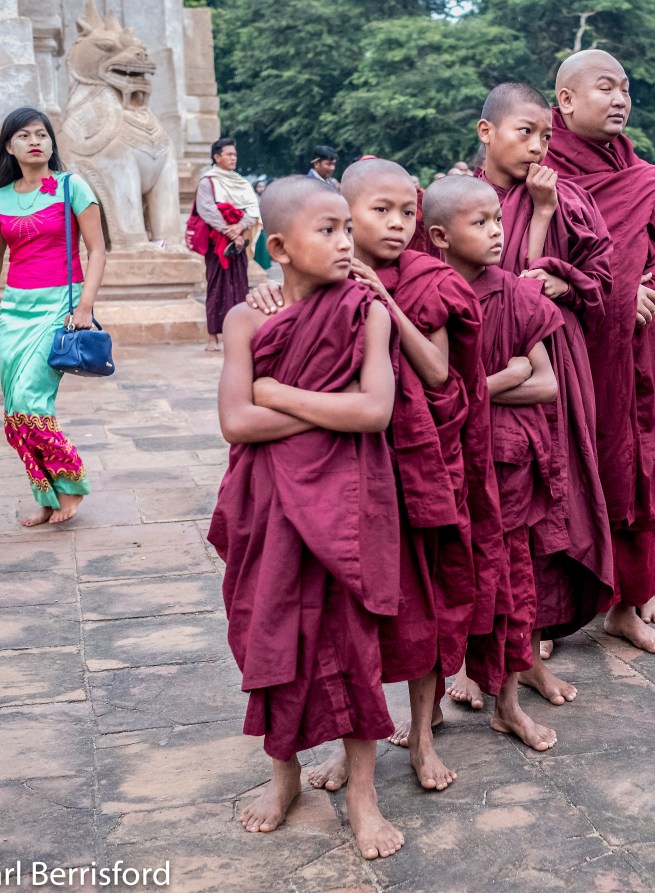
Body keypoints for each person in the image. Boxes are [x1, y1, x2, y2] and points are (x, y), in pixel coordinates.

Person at [246, 158, 504, 791]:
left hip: (420, 464)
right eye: (378, 212)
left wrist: (385, 295)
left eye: (407, 212)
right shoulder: (308, 283)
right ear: (345, 218)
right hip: (345, 467)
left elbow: (441, 375)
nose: (396, 225)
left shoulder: (425, 280)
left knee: (422, 610)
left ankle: (420, 735)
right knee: (347, 623)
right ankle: (344, 745)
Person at [209, 176, 403, 859]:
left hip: (349, 501)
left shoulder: (365, 310)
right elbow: (237, 420)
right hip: (268, 505)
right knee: (272, 635)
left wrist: (278, 392)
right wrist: (326, 403)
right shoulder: (246, 318)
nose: (347, 243)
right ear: (280, 246)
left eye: (348, 228)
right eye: (329, 230)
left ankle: (362, 790)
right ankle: (284, 773)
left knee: (354, 643)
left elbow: (373, 410)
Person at [472, 81, 614, 706]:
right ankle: (468, 664)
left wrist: (565, 281)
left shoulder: (570, 199)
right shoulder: (457, 201)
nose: (537, 146)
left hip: (554, 365)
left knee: (549, 503)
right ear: (487, 132)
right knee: (480, 516)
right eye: (523, 131)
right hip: (482, 368)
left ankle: (528, 650)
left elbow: (603, 277)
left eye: (546, 135)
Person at [546, 49, 655, 654]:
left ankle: (628, 603)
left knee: (637, 468)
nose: (620, 99)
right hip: (565, 351)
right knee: (557, 472)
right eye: (605, 87)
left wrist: (650, 289)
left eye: (626, 88)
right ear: (567, 101)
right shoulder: (535, 172)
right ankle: (545, 618)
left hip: (634, 350)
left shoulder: (650, 182)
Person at [424, 174, 562, 751]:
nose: (496, 233)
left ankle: (507, 705)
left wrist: (473, 389)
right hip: (441, 465)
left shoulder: (515, 294)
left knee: (511, 587)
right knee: (437, 586)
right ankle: (425, 710)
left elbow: (548, 385)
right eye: (478, 224)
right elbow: (424, 396)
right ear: (439, 236)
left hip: (506, 464)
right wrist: (503, 377)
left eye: (498, 221)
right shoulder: (419, 295)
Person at [0, 106, 105, 527]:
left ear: (52, 142)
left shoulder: (71, 186)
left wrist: (85, 306)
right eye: (24, 135)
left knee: (30, 399)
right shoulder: (0, 198)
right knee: (13, 410)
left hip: (59, 305)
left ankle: (71, 486)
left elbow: (97, 249)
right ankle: (45, 493)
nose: (35, 141)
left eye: (42, 134)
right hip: (14, 310)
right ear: (9, 146)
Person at [197, 137, 261, 351]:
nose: (234, 158)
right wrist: (230, 231)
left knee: (240, 286)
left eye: (235, 154)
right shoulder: (208, 181)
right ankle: (213, 337)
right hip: (218, 244)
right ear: (217, 157)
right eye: (229, 154)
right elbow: (207, 209)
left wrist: (240, 227)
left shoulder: (241, 182)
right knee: (217, 286)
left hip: (239, 243)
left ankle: (238, 335)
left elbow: (253, 209)